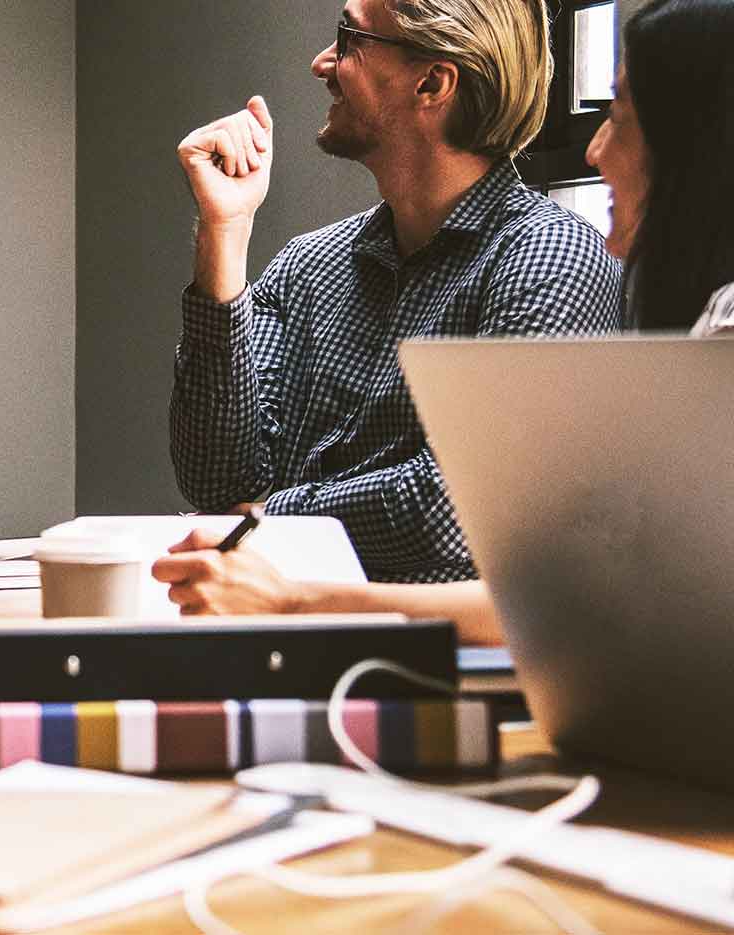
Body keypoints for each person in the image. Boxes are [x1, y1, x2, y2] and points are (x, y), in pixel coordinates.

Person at [153, 0, 734, 646]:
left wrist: (267, 518)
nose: (322, 63)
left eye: (349, 38)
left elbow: (459, 513)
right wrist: (224, 235)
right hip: (276, 648)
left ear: (432, 83)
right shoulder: (307, 264)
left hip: (439, 667)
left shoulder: (551, 256)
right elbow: (215, 480)